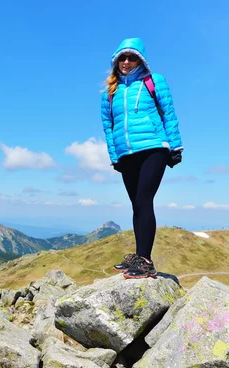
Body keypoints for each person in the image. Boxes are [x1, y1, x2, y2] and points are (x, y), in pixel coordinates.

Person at [101, 38, 183, 279]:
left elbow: (169, 113)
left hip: (153, 147)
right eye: (122, 58)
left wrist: (175, 146)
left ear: (141, 60)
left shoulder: (153, 81)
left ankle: (145, 262)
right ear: (116, 61)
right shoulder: (111, 90)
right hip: (127, 153)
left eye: (132, 57)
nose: (126, 62)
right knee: (137, 204)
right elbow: (108, 125)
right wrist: (114, 155)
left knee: (145, 199)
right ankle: (139, 257)